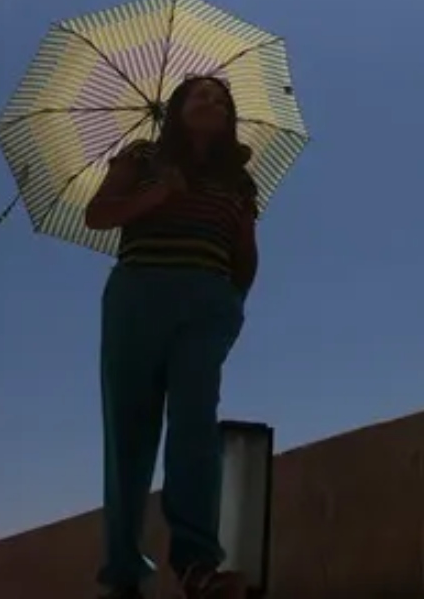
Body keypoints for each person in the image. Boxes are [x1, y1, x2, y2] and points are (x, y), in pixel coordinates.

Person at [84, 75, 258, 599]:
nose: (212, 103)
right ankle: (123, 573)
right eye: (200, 96)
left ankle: (197, 564)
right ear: (177, 109)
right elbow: (97, 215)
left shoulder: (240, 183)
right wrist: (159, 191)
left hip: (207, 306)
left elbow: (245, 251)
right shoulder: (141, 158)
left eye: (222, 100)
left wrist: (232, 304)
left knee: (194, 429)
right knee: (129, 438)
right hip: (137, 299)